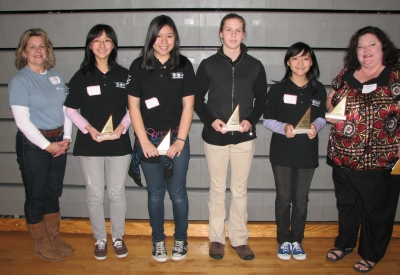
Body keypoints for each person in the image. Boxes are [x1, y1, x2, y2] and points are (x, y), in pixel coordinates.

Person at [325, 26, 400, 273]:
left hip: (380, 162)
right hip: (342, 156)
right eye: (360, 46)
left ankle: (371, 253)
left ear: (383, 48)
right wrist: (331, 114)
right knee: (347, 205)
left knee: (377, 212)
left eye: (372, 45)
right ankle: (344, 243)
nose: (365, 50)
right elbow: (331, 99)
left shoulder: (396, 77)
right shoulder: (346, 74)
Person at [194, 13, 267, 261]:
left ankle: (239, 239)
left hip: (244, 138)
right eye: (229, 30)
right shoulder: (208, 65)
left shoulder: (255, 65)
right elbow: (196, 100)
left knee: (239, 190)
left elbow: (262, 100)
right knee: (216, 189)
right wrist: (209, 120)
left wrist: (252, 120)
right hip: (215, 138)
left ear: (244, 34)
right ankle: (216, 239)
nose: (233, 35)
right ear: (220, 33)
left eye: (238, 31)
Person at [127, 15, 196, 262]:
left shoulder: (185, 65)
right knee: (155, 193)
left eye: (169, 35)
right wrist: (143, 141)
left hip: (178, 140)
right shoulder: (138, 66)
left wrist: (180, 140)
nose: (163, 41)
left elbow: (189, 106)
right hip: (149, 142)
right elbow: (133, 107)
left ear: (175, 37)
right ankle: (158, 241)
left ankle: (181, 239)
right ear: (151, 37)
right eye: (158, 35)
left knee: (177, 192)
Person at [64, 24, 132, 261]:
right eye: (97, 41)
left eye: (107, 41)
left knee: (117, 193)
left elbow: (133, 108)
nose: (102, 45)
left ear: (113, 45)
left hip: (119, 145)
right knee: (94, 195)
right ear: (90, 45)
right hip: (89, 144)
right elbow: (70, 109)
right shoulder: (81, 75)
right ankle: (100, 239)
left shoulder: (124, 75)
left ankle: (118, 237)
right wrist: (89, 129)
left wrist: (123, 128)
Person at [8, 28, 74, 262]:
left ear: (47, 50)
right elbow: (23, 122)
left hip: (59, 142)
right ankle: (42, 244)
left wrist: (66, 138)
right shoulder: (20, 81)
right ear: (23, 52)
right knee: (36, 196)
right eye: (32, 46)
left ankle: (53, 238)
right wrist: (47, 146)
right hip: (34, 145)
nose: (37, 51)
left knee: (52, 193)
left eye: (41, 46)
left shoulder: (55, 75)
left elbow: (66, 109)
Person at [263, 42, 326, 261]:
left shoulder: (318, 89)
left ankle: (297, 240)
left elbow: (321, 116)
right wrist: (284, 128)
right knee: (283, 199)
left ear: (311, 62)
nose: (301, 63)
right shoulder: (278, 89)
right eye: (295, 58)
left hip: (307, 153)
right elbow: (267, 120)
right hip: (282, 152)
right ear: (288, 62)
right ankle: (283, 240)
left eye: (306, 58)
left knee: (301, 200)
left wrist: (316, 127)